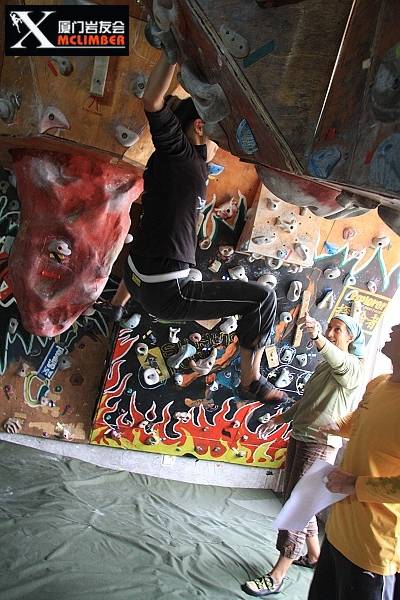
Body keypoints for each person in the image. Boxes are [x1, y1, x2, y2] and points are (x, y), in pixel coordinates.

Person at [105, 52, 284, 404]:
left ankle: (116, 304)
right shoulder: (179, 154)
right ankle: (250, 379)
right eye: (216, 136)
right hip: (164, 291)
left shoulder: (190, 162)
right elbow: (153, 100)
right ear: (199, 128)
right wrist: (173, 52)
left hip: (139, 276)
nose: (219, 147)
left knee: (176, 257)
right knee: (263, 298)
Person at [242, 312, 365, 597]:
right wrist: (279, 419)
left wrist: (317, 335)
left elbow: (338, 359)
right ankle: (314, 555)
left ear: (351, 337)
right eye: (330, 328)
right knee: (298, 500)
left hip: (320, 443)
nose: (331, 333)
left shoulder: (353, 367)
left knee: (297, 506)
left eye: (338, 329)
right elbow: (306, 401)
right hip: (301, 436)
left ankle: (277, 575)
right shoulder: (325, 367)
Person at [307, 323, 400, 600]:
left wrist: (355, 484)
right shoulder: (379, 383)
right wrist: (338, 426)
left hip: (373, 549)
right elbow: (361, 417)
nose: (394, 326)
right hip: (337, 534)